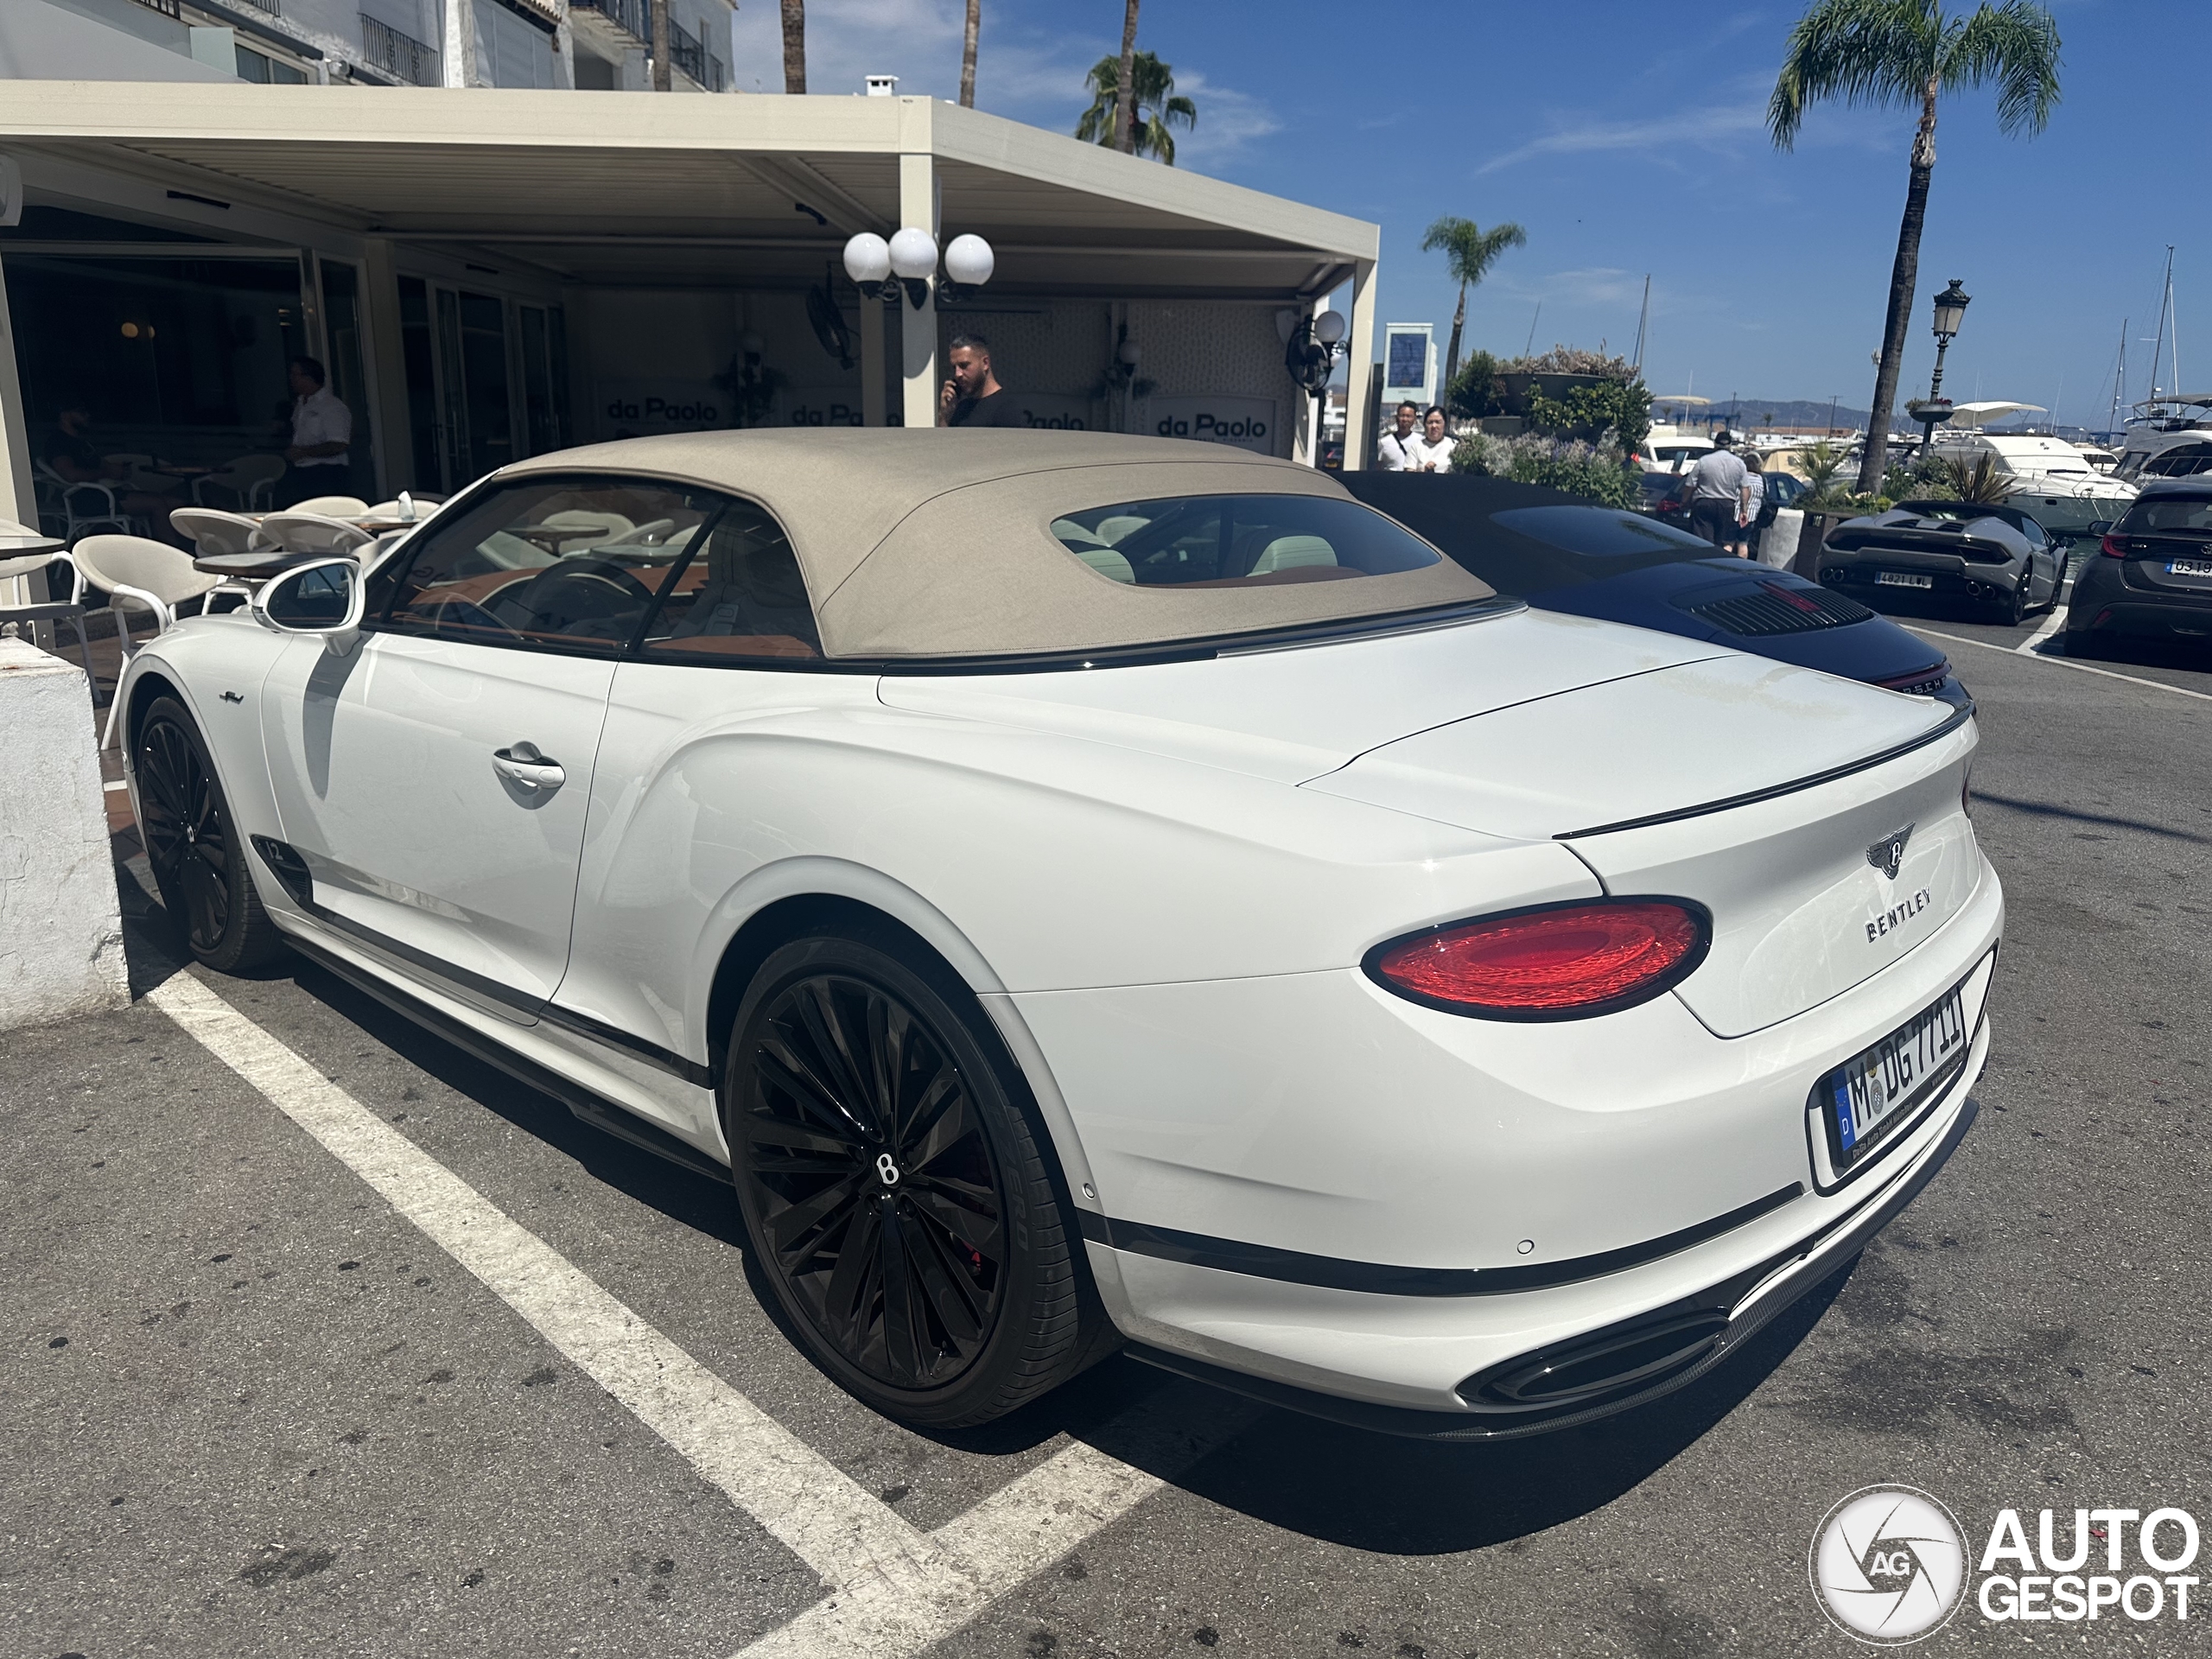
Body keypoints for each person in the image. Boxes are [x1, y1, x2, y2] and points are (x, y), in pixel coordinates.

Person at [276, 356, 354, 505]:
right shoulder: (300, 404)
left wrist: (304, 451)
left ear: (309, 377)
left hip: (326, 473)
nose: (291, 379)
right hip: (300, 471)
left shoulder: (332, 407)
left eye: (295, 374)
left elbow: (339, 444)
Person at [938, 334, 1023, 428]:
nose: (958, 374)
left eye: (964, 365)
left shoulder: (1007, 408)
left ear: (985, 363)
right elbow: (944, 441)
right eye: (954, 367)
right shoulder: (961, 408)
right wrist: (945, 415)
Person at [1687, 435, 1747, 550]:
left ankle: (1702, 562)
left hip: (1704, 502)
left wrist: (1685, 501)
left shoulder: (1704, 461)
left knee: (1702, 542)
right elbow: (1745, 488)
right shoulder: (1739, 463)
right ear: (1730, 446)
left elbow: (1690, 484)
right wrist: (1744, 511)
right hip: (1727, 505)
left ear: (1715, 444)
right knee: (1720, 542)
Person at [1732, 449, 1766, 559]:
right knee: (1743, 544)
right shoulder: (1761, 479)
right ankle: (1741, 567)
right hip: (1751, 517)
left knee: (1728, 543)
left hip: (1734, 514)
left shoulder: (1739, 477)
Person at [1404, 405, 1455, 474]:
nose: (1434, 426)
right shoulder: (1416, 447)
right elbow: (1408, 475)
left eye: (1438, 422)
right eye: (1430, 422)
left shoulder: (1454, 445)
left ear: (1445, 424)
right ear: (1425, 425)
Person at [1373, 401, 1421, 470]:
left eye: (1408, 416)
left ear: (1414, 419)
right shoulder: (1384, 442)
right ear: (1396, 418)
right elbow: (1378, 467)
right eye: (1402, 416)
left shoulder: (1421, 441)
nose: (1405, 419)